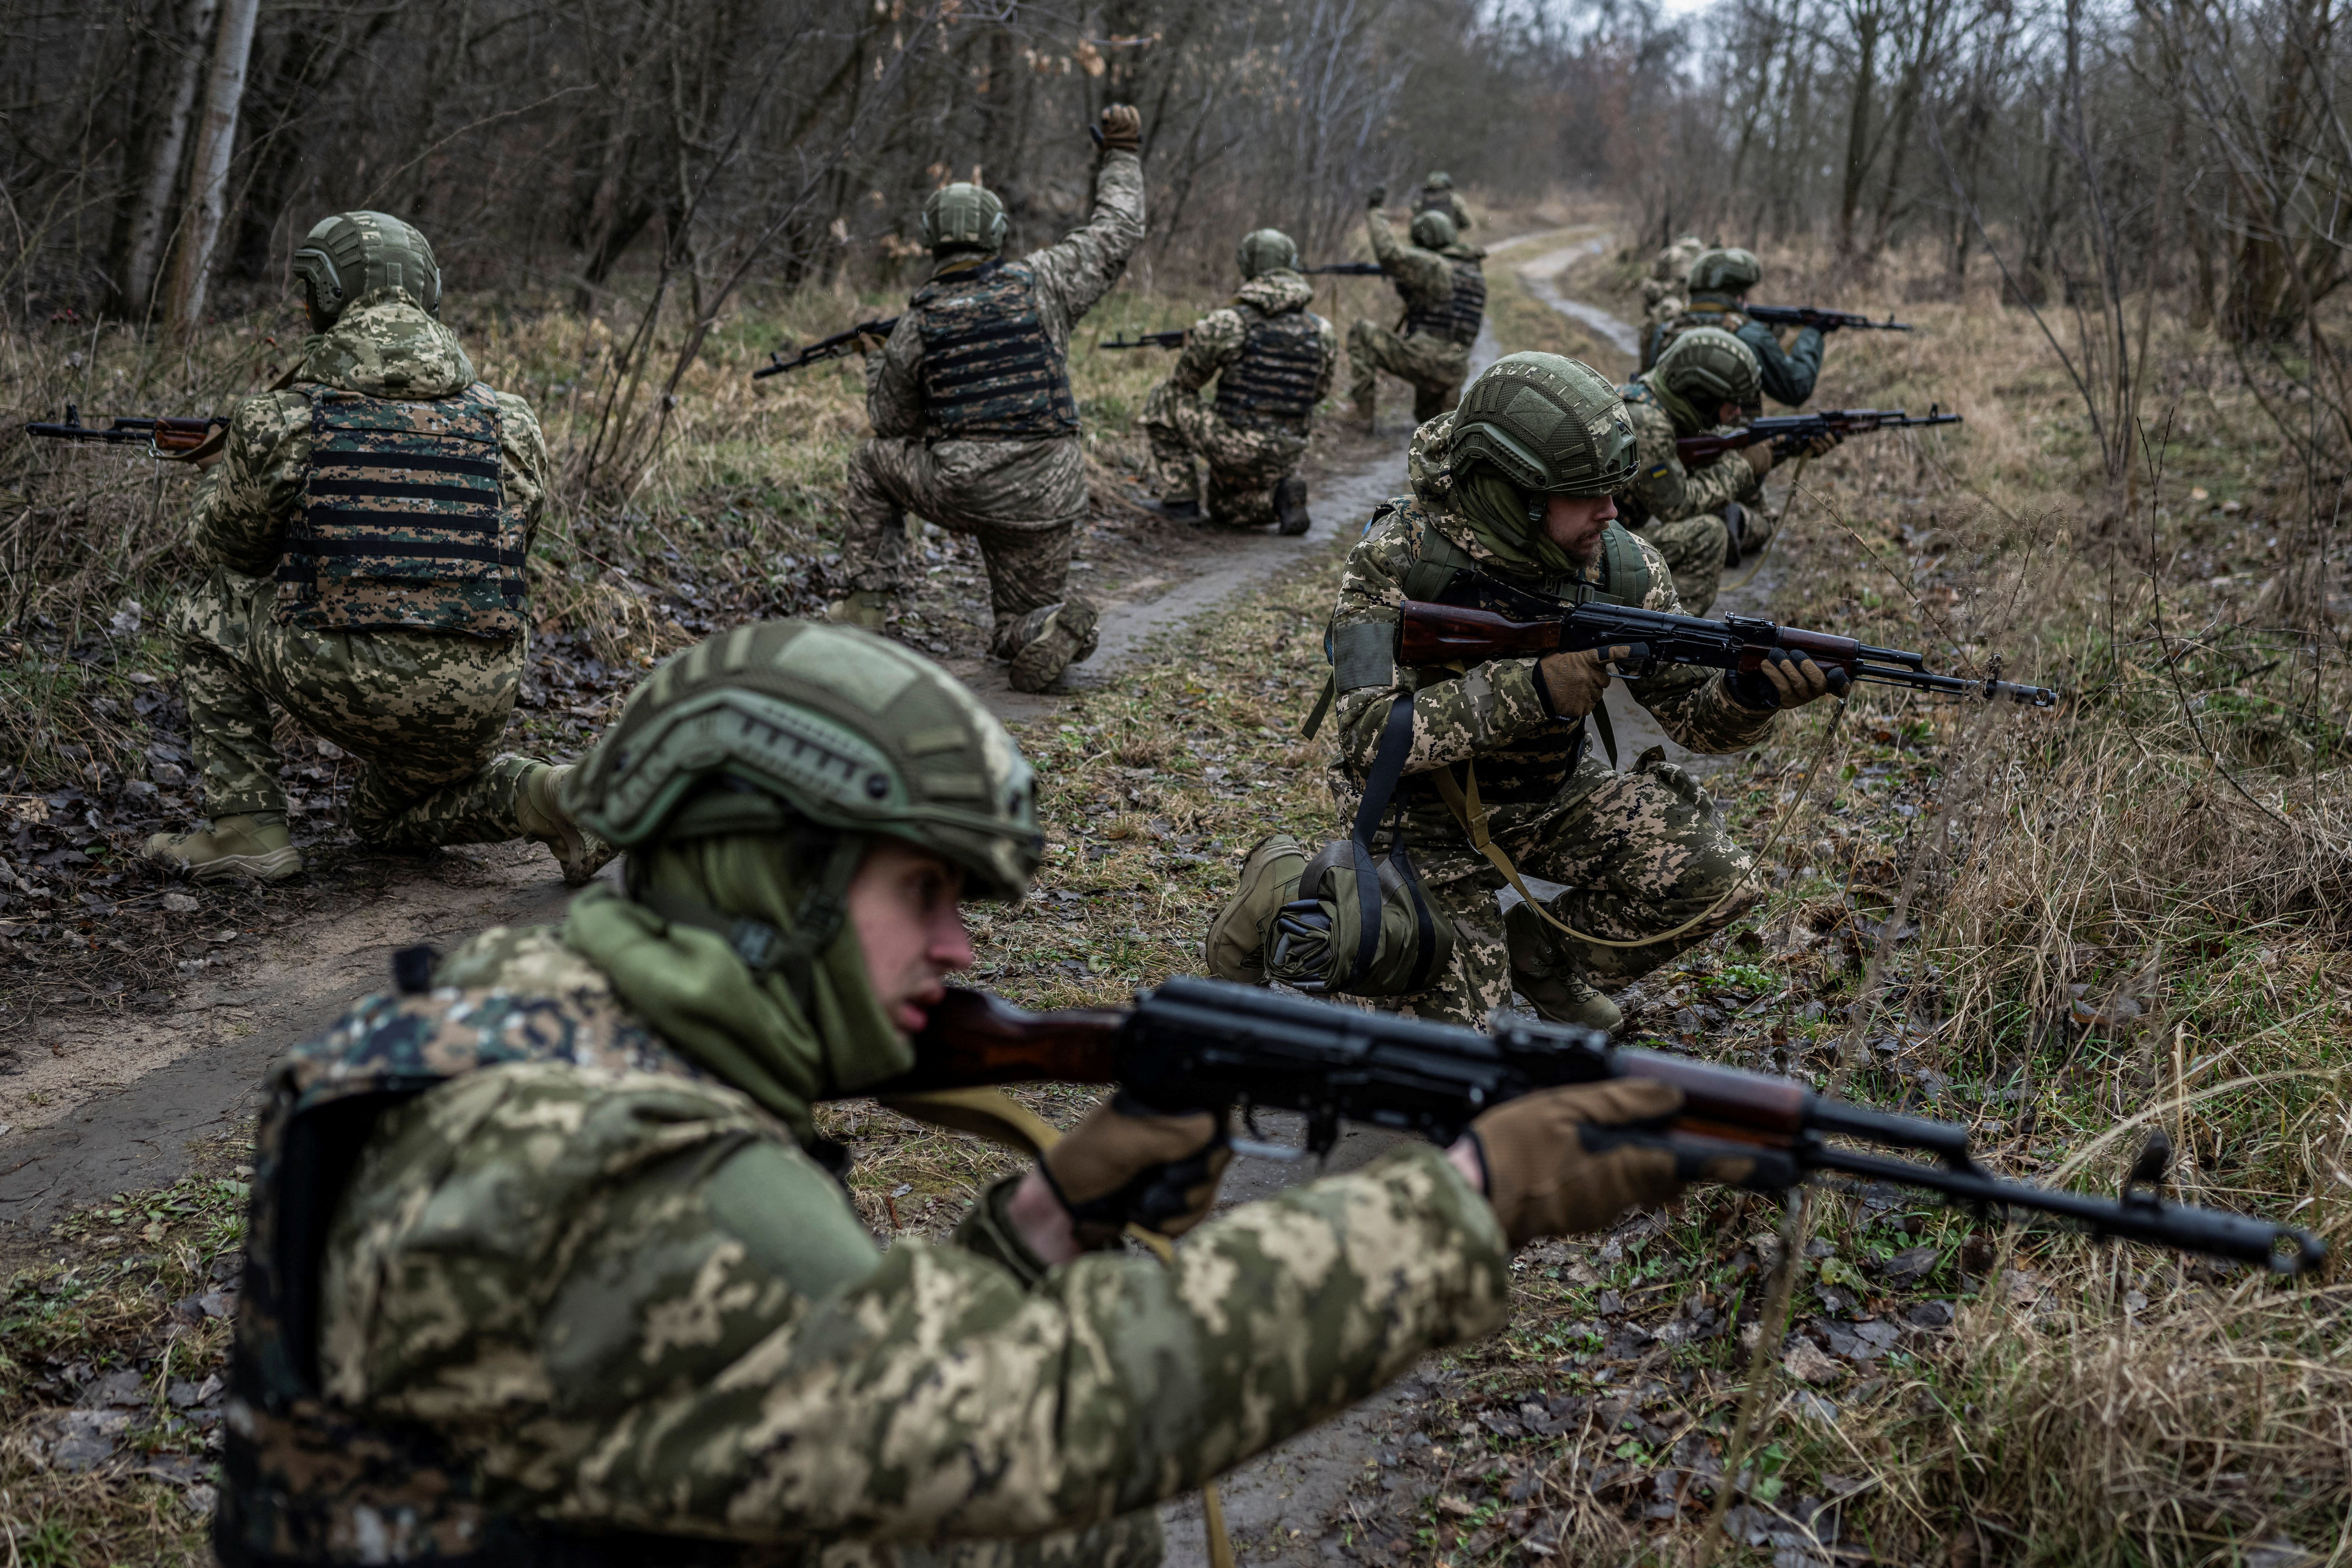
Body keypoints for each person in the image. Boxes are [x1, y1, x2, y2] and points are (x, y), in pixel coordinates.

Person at [212, 617, 1728, 1567]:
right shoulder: (628, 1172)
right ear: (765, 877)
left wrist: (1039, 1224)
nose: (957, 946)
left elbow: (761, 1386)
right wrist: (1465, 1203)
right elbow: (1050, 1410)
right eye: (920, 890)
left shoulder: (537, 1022)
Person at [1290, 353, 1843, 1033]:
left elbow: (1697, 723)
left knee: (1714, 878)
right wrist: (1535, 688)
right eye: (1587, 494)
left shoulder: (1623, 565)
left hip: (1548, 793)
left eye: (1616, 491)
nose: (1611, 513)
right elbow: (1371, 735)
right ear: (1511, 491)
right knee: (1459, 1057)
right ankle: (1316, 903)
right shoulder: (1399, 558)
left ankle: (1542, 956)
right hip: (1419, 819)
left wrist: (1750, 695)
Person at [144, 209, 604, 887]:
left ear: (324, 296)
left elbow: (231, 553)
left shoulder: (283, 418)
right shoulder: (511, 419)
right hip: (475, 692)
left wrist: (226, 475)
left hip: (344, 674)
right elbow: (511, 543)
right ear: (431, 294)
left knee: (206, 613)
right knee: (381, 820)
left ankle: (247, 830)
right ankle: (552, 796)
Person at [832, 106, 1147, 695]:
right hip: (1047, 496)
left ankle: (863, 612)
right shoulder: (1045, 282)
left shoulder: (920, 321)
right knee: (1016, 620)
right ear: (998, 234)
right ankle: (1048, 625)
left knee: (870, 462)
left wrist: (878, 358)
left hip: (961, 488)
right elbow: (1119, 230)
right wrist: (1120, 154)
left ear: (929, 240)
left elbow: (890, 421)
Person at [1139, 227, 1336, 535]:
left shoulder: (1230, 322)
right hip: (1287, 452)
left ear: (1248, 267)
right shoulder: (1321, 329)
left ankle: (1181, 502)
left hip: (1237, 447)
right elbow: (1319, 393)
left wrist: (1202, 340)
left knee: (1165, 397)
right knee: (1226, 511)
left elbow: (1185, 381)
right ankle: (1280, 496)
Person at [1617, 328, 1779, 616]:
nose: (1738, 414)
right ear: (1703, 396)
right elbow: (1680, 507)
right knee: (1710, 535)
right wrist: (1744, 465)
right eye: (1731, 405)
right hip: (1594, 552)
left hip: (1604, 535)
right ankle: (1665, 635)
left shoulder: (1653, 400)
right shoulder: (1650, 425)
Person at [1346, 191, 1485, 430]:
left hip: (1424, 363)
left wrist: (1375, 212)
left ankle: (1362, 419)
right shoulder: (1473, 273)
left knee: (1362, 333)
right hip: (1453, 373)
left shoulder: (1432, 266)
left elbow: (1388, 254)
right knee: (1431, 425)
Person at [1650, 246, 1824, 407]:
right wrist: (1812, 334)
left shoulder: (1665, 331)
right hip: (1736, 439)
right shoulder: (1749, 335)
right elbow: (1796, 388)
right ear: (1740, 296)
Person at [1637, 232, 1707, 372]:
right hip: (1702, 306)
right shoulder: (1706, 256)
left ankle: (1645, 376)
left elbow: (1650, 286)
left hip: (1671, 308)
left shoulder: (1670, 254)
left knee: (1650, 332)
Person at [1416, 171, 1472, 235]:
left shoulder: (1421, 201)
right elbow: (1467, 223)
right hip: (1448, 239)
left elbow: (1416, 223)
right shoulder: (1455, 200)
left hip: (1424, 239)